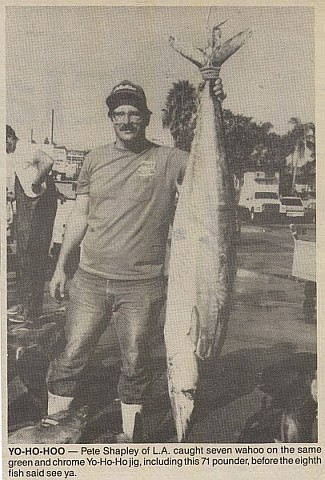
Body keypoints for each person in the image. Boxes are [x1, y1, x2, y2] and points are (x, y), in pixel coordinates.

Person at [47, 79, 225, 441]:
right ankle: (54, 427)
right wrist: (60, 267)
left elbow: (212, 173)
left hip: (143, 287)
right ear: (111, 118)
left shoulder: (170, 159)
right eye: (119, 114)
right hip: (89, 280)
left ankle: (131, 435)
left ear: (146, 117)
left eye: (133, 113)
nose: (126, 120)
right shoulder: (94, 159)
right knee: (71, 356)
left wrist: (215, 102)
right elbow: (79, 215)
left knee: (135, 363)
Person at [6, 125, 58, 326]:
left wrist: (37, 182)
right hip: (27, 203)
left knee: (33, 255)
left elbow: (48, 161)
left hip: (40, 205)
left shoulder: (26, 147)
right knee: (23, 255)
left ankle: (31, 311)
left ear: (9, 136)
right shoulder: (16, 154)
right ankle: (23, 305)